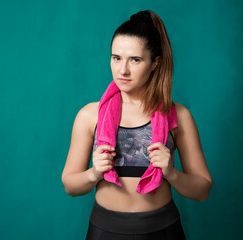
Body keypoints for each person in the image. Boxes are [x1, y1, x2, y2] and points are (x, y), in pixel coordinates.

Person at [61, 10, 212, 240]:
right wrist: (94, 173)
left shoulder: (178, 115)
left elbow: (202, 191)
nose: (123, 70)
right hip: (105, 231)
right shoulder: (90, 115)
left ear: (155, 63)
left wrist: (171, 172)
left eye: (135, 59)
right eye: (116, 57)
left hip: (163, 230)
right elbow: (70, 186)